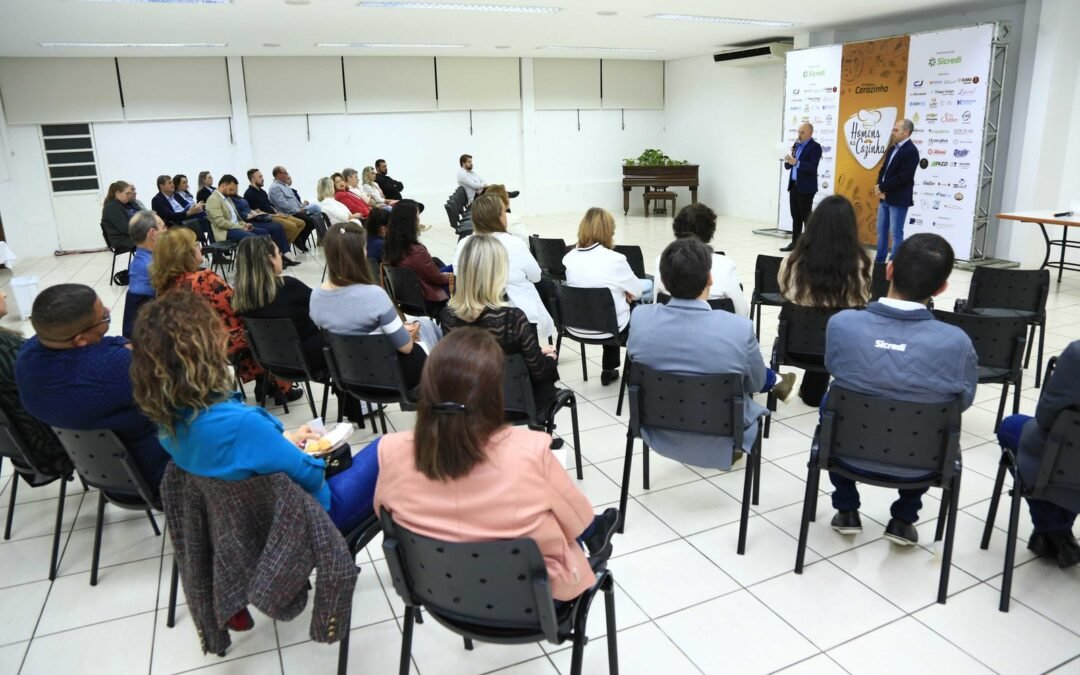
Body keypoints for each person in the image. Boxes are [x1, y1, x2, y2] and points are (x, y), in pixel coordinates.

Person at [373, 328, 618, 602]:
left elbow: (386, 517)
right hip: (534, 602)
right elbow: (579, 520)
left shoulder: (390, 451)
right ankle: (597, 534)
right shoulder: (530, 451)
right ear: (496, 393)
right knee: (567, 520)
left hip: (441, 592)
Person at [130, 290, 378, 533]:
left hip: (249, 525)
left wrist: (284, 442)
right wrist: (306, 454)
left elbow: (239, 460)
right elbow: (312, 476)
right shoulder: (242, 424)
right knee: (388, 449)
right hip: (308, 519)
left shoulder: (169, 423)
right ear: (206, 348)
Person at [824, 233, 977, 545]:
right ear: (942, 288)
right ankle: (904, 517)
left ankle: (846, 507)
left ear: (889, 270)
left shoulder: (842, 324)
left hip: (846, 450)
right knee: (935, 419)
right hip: (922, 459)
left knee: (834, 405)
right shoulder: (956, 342)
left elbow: (833, 368)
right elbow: (963, 401)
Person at [628, 238, 793, 470]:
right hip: (725, 436)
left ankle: (778, 381)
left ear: (663, 281)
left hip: (657, 431)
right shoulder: (738, 329)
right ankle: (778, 381)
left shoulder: (640, 318)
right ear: (710, 280)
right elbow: (755, 383)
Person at [15, 284, 171, 492]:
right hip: (155, 472)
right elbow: (177, 384)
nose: (107, 311)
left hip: (97, 468)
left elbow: (109, 344)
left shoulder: (27, 357)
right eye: (103, 317)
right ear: (80, 340)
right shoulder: (117, 368)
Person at [149, 227, 301, 405]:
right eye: (196, 245)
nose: (200, 247)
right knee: (265, 324)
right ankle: (279, 386)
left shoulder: (164, 288)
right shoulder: (203, 278)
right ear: (185, 253)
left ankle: (267, 383)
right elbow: (235, 304)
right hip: (219, 342)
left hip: (190, 345)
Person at [309, 222, 438, 391]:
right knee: (426, 333)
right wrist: (406, 334)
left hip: (347, 374)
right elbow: (405, 348)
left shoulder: (316, 295)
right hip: (389, 375)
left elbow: (347, 329)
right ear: (359, 254)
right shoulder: (374, 295)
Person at [441, 235, 559, 413]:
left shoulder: (448, 316)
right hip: (518, 405)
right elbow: (539, 372)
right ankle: (541, 437)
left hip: (473, 403)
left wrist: (534, 352)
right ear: (497, 272)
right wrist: (548, 359)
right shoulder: (513, 318)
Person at [778, 195, 871, 406]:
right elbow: (863, 299)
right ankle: (815, 392)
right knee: (833, 325)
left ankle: (806, 391)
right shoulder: (861, 264)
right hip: (841, 348)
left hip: (795, 344)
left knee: (816, 322)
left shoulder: (791, 262)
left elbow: (785, 292)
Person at [996, 339, 1080, 567]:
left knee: (1011, 426)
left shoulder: (1077, 353)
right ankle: (1056, 534)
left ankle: (1053, 531)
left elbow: (1045, 417)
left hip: (1064, 465)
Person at [452, 193, 554, 342]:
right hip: (519, 318)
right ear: (499, 217)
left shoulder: (464, 244)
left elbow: (457, 274)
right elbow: (536, 276)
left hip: (475, 315)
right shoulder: (514, 243)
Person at [563, 207, 642, 386]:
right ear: (609, 231)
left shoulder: (569, 258)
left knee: (606, 305)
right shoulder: (615, 259)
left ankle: (609, 369)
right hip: (610, 329)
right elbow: (637, 291)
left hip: (576, 326)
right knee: (636, 311)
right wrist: (624, 293)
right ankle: (634, 376)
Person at [0, 291, 74, 478]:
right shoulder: (7, 349)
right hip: (50, 444)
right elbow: (60, 382)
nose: (4, 294)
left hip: (19, 445)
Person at [653, 203, 749, 317]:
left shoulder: (662, 260)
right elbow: (742, 312)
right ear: (710, 231)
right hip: (717, 332)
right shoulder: (725, 265)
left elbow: (656, 304)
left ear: (677, 228)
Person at [206, 175, 298, 266]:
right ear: (223, 186)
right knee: (253, 237)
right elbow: (220, 222)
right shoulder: (213, 200)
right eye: (231, 189)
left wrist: (244, 224)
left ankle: (271, 259)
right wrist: (241, 226)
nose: (232, 192)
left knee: (263, 232)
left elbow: (236, 218)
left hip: (236, 227)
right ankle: (261, 264)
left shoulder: (227, 198)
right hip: (226, 231)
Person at [384, 200, 454, 316]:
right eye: (417, 216)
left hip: (409, 299)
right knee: (466, 276)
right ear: (410, 221)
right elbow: (438, 279)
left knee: (454, 267)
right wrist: (452, 276)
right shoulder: (416, 251)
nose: (419, 219)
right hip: (429, 299)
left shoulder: (390, 245)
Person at [875, 118, 920, 263]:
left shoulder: (911, 151)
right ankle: (879, 261)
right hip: (884, 197)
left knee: (895, 233)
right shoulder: (892, 148)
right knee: (881, 232)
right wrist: (878, 186)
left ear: (906, 132)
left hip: (899, 199)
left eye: (896, 130)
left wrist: (882, 187)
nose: (893, 132)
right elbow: (883, 170)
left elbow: (903, 177)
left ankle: (894, 263)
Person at [243, 168, 311, 252]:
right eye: (260, 177)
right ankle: (282, 250)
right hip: (267, 217)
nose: (262, 178)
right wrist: (275, 215)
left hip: (275, 214)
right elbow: (257, 212)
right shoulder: (249, 194)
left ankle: (284, 248)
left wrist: (277, 212)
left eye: (262, 176)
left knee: (301, 223)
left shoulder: (262, 192)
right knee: (292, 226)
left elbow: (270, 205)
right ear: (253, 179)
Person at [122, 210, 165, 338]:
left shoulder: (143, 260)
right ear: (153, 234)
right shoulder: (152, 266)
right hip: (149, 335)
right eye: (163, 227)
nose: (166, 231)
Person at [781, 122, 822, 252]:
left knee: (806, 217)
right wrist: (788, 160)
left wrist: (797, 162)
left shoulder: (815, 147)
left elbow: (812, 167)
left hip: (806, 188)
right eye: (798, 132)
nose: (799, 135)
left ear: (810, 133)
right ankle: (795, 243)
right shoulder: (796, 145)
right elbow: (789, 166)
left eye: (802, 132)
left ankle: (811, 245)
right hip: (794, 186)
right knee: (795, 216)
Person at [269, 166, 323, 245]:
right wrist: (298, 210)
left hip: (297, 210)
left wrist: (301, 206)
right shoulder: (274, 188)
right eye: (285, 173)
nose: (287, 174)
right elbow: (283, 204)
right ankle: (299, 240)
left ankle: (300, 239)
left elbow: (294, 200)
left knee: (316, 215)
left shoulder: (286, 186)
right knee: (310, 221)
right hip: (288, 213)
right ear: (278, 174)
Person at [100, 180, 139, 249]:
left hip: (130, 236)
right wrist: (143, 231)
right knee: (155, 241)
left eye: (130, 193)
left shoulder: (127, 203)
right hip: (122, 239)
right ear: (117, 193)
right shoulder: (112, 207)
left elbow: (142, 215)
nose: (130, 196)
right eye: (127, 193)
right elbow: (125, 229)